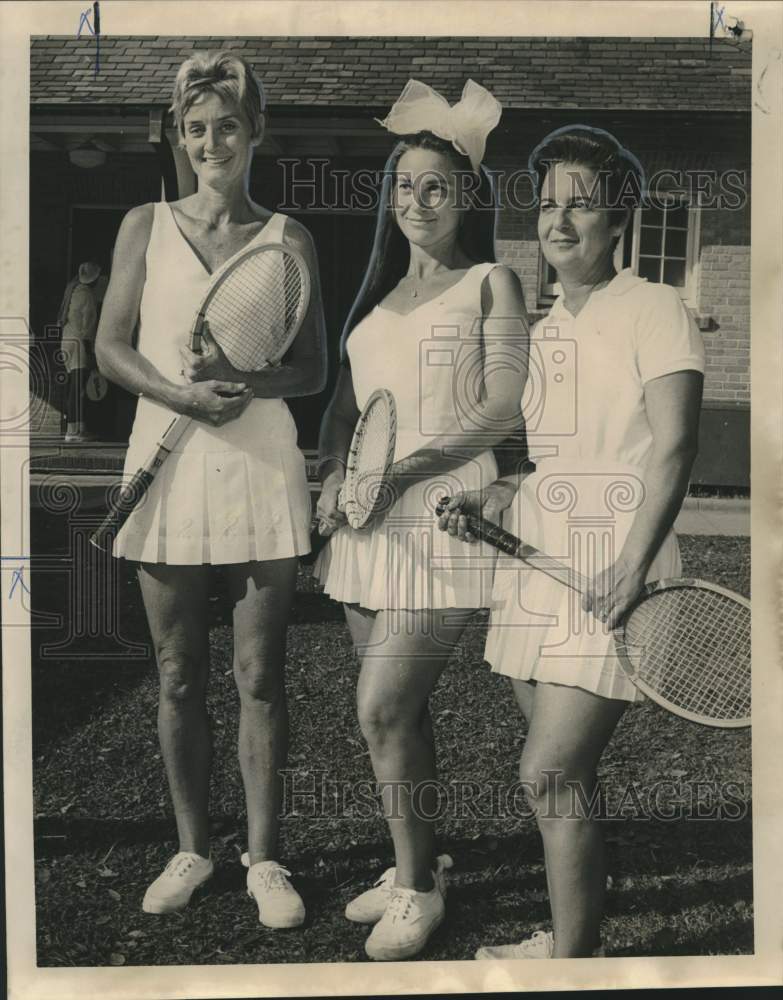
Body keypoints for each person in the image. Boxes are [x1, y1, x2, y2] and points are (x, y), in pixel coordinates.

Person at [439, 125, 705, 959]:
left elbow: (675, 446)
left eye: (580, 205)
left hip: (619, 566)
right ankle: (569, 939)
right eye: (548, 204)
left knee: (547, 772)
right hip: (539, 572)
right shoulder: (546, 331)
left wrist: (630, 566)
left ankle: (570, 963)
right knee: (562, 780)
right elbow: (550, 466)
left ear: (617, 217)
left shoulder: (656, 307)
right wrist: (493, 493)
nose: (559, 222)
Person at [94, 51, 327, 928]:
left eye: (227, 125)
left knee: (260, 675)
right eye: (195, 129)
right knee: (179, 674)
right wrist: (181, 394)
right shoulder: (141, 225)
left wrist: (243, 383)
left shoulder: (288, 237)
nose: (210, 142)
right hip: (167, 458)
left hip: (262, 464)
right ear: (178, 136)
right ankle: (193, 848)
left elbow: (307, 370)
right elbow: (113, 345)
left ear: (255, 131)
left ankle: (266, 859)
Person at [314, 80, 529, 961]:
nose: (418, 200)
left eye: (437, 185)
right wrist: (332, 478)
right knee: (401, 718)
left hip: (443, 520)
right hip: (365, 529)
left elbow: (504, 405)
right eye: (406, 185)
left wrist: (401, 472)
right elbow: (347, 412)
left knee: (381, 706)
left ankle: (415, 893)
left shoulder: (494, 280)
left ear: (467, 194)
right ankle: (421, 865)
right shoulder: (374, 301)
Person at [60, 261, 101, 442]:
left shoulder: (74, 291)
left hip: (68, 341)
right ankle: (74, 432)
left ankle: (77, 428)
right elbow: (84, 321)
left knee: (75, 387)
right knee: (78, 388)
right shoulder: (86, 294)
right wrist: (88, 344)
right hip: (78, 343)